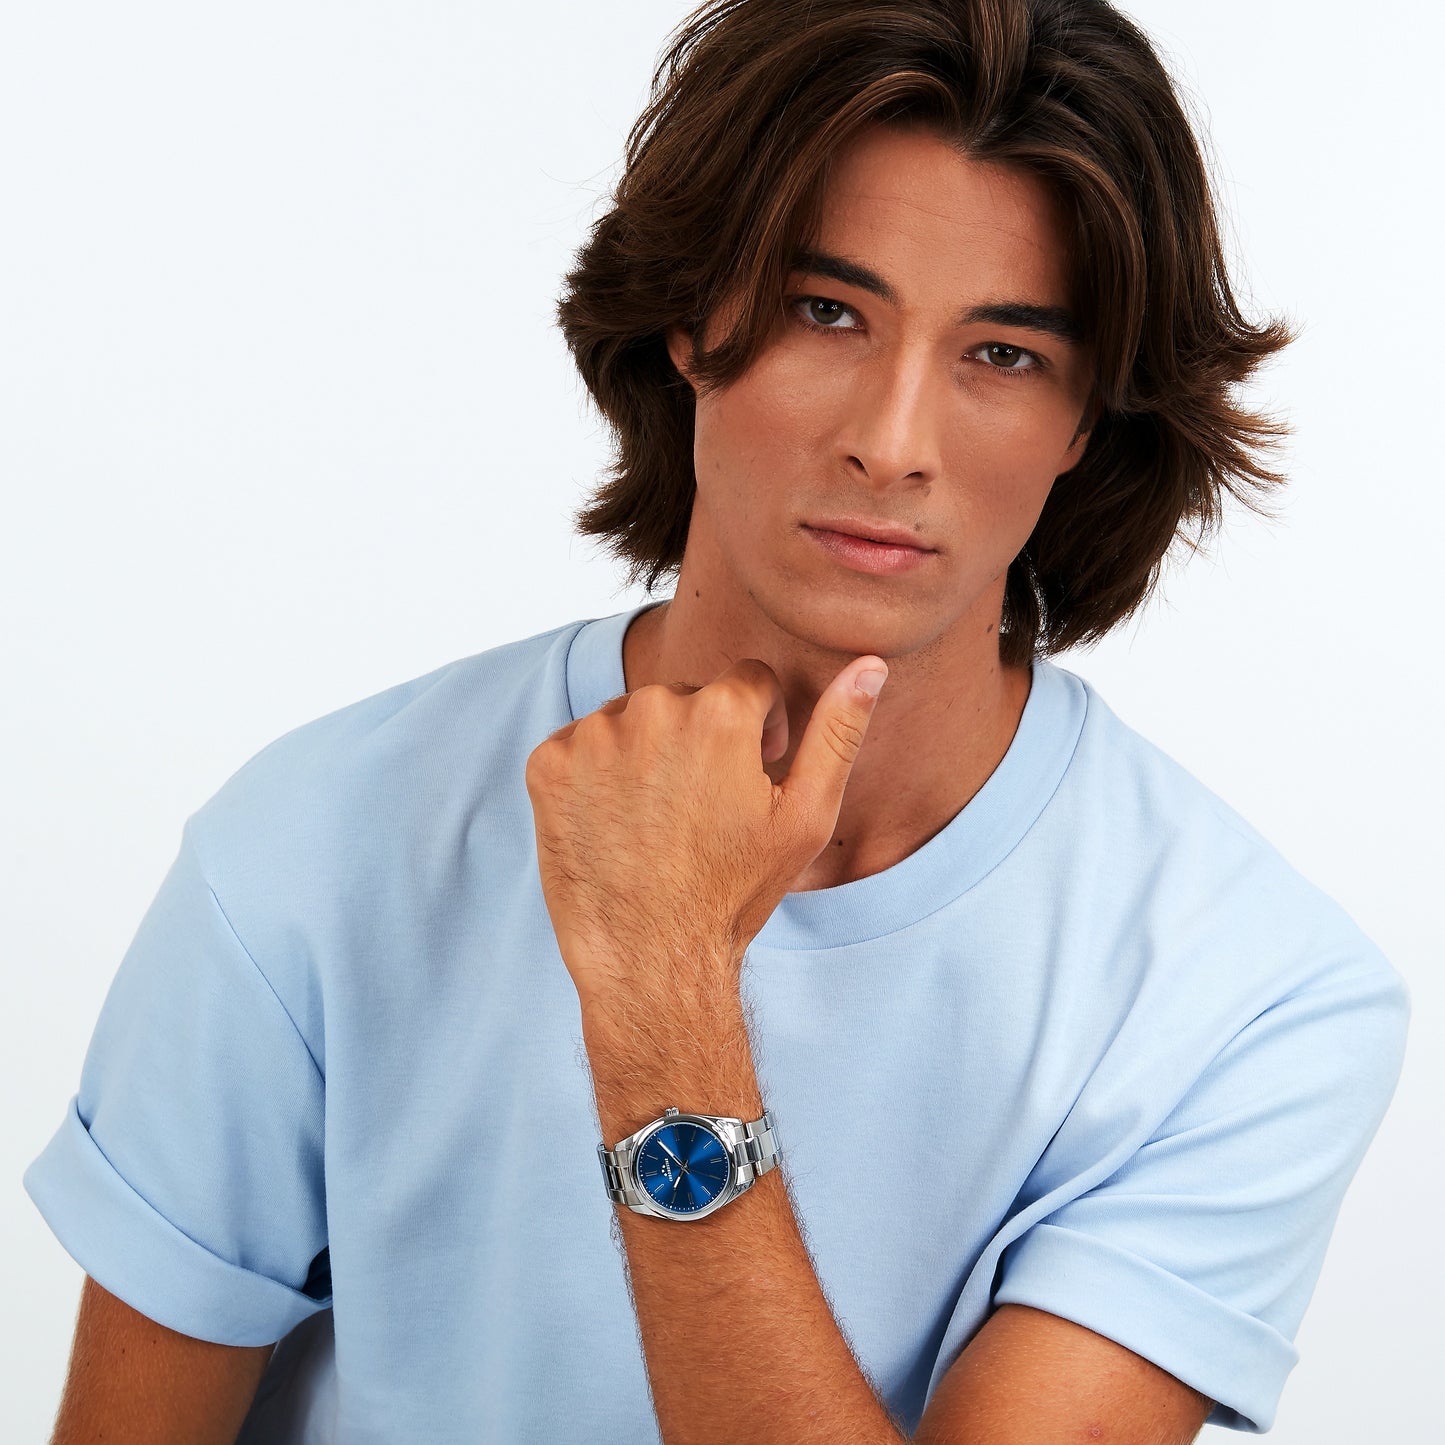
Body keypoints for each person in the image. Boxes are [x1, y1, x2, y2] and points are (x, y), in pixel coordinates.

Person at [24, 0, 1409, 1440]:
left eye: (1001, 354)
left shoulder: (1247, 996)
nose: (891, 441)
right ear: (691, 324)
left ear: (1086, 419)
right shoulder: (315, 845)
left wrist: (662, 993)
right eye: (827, 313)